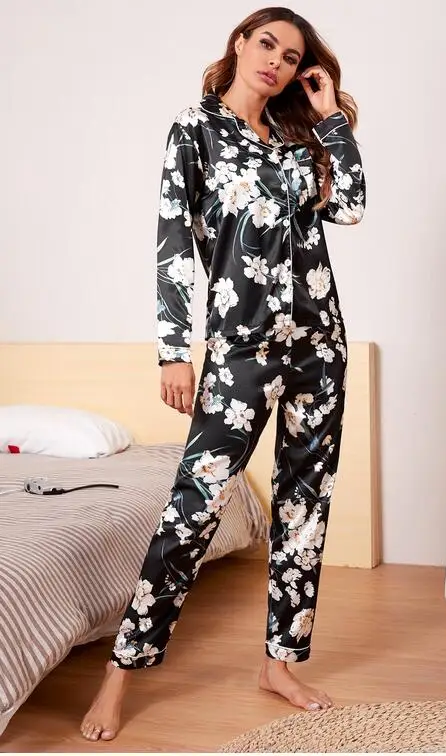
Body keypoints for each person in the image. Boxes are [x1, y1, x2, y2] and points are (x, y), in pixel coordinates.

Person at [80, 5, 365, 742]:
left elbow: (352, 207)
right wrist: (175, 351)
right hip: (241, 349)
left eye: (290, 56)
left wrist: (330, 118)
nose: (275, 61)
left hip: (320, 346)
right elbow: (174, 242)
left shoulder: (300, 139)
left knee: (306, 506)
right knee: (194, 509)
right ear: (240, 44)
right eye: (266, 43)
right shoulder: (195, 129)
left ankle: (279, 663)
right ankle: (121, 671)